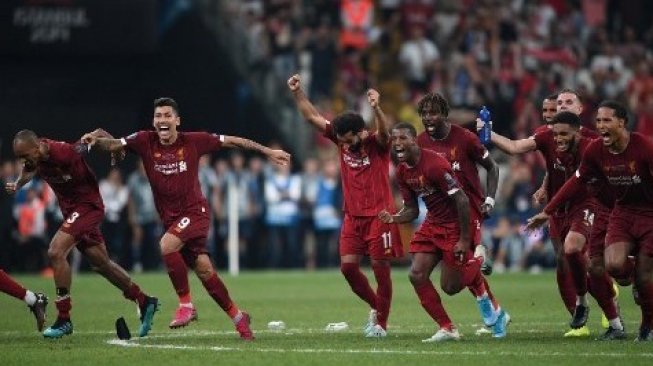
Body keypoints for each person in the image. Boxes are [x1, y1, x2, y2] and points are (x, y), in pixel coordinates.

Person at [81, 97, 290, 340]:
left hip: (195, 213)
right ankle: (238, 318)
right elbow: (114, 145)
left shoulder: (193, 141)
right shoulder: (143, 140)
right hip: (170, 219)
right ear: (153, 121)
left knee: (166, 245)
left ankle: (186, 305)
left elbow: (233, 141)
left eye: (168, 115)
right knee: (204, 270)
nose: (163, 120)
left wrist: (267, 151)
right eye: (158, 116)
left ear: (177, 120)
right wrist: (96, 140)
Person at [479, 91, 619, 338]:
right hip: (557, 208)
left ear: (580, 109)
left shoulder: (593, 142)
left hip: (586, 205)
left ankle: (602, 304)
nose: (555, 109)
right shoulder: (549, 135)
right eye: (555, 105)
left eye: (566, 103)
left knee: (578, 253)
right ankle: (582, 321)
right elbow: (516, 148)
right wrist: (488, 133)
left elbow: (581, 177)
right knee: (564, 261)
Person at [7, 129, 159, 339]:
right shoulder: (35, 159)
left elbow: (95, 135)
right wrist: (17, 183)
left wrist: (116, 147)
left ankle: (64, 318)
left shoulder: (64, 152)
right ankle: (143, 300)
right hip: (72, 211)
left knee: (55, 251)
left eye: (25, 156)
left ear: (36, 147)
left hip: (88, 206)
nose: (24, 161)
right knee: (101, 264)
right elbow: (29, 169)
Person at [527, 100, 653, 341]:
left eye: (607, 120)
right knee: (609, 266)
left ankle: (648, 324)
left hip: (648, 214)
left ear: (622, 122)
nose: (601, 125)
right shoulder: (595, 151)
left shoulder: (644, 148)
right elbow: (576, 181)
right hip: (621, 212)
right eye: (598, 121)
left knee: (644, 274)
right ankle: (614, 318)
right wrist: (548, 210)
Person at [288, 74, 403, 338]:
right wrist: (297, 93)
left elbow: (385, 132)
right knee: (348, 268)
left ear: (361, 132)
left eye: (349, 139)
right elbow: (311, 118)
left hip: (380, 216)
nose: (345, 145)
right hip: (352, 216)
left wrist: (376, 109)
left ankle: (381, 325)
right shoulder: (342, 139)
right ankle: (377, 309)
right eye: (341, 140)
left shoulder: (377, 144)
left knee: (380, 271)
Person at [378, 122, 509, 342]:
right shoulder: (402, 171)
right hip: (432, 223)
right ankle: (447, 327)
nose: (397, 144)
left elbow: (462, 200)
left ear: (413, 140)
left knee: (450, 287)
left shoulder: (435, 165)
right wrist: (394, 218)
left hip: (455, 224)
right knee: (416, 275)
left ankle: (477, 256)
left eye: (402, 139)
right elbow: (411, 209)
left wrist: (464, 238)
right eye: (394, 139)